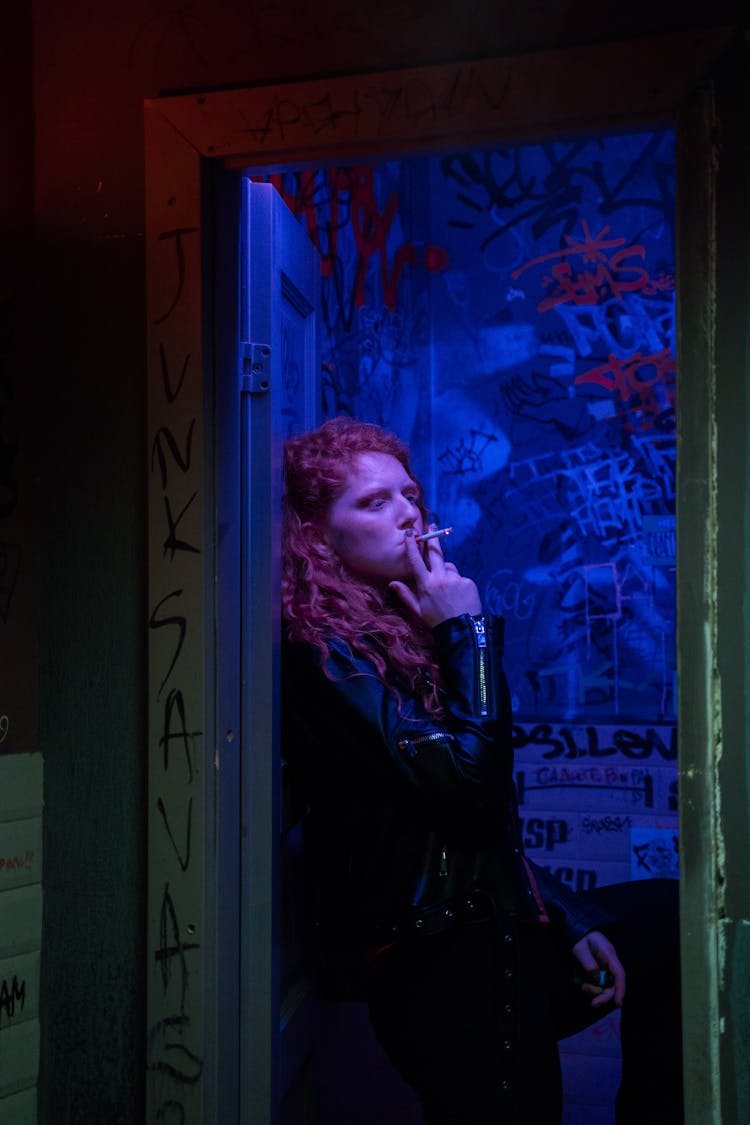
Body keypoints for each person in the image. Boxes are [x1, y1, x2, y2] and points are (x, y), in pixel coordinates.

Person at [282, 417, 682, 1125]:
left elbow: (475, 818)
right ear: (319, 535)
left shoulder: (398, 626)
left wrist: (561, 912)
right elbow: (468, 789)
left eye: (409, 493)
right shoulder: (327, 656)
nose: (408, 511)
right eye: (373, 502)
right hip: (440, 971)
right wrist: (464, 627)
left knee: (678, 925)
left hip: (489, 933)